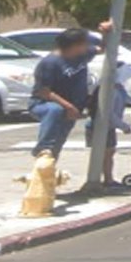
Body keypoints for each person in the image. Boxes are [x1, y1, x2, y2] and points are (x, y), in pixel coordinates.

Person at [30, 29, 95, 162]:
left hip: (71, 108)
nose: (88, 46)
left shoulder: (82, 55)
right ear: (75, 45)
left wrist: (106, 32)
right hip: (44, 104)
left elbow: (103, 48)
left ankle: (47, 172)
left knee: (57, 145)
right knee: (55, 110)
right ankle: (43, 148)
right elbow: (44, 92)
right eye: (85, 43)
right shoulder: (50, 63)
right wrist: (69, 107)